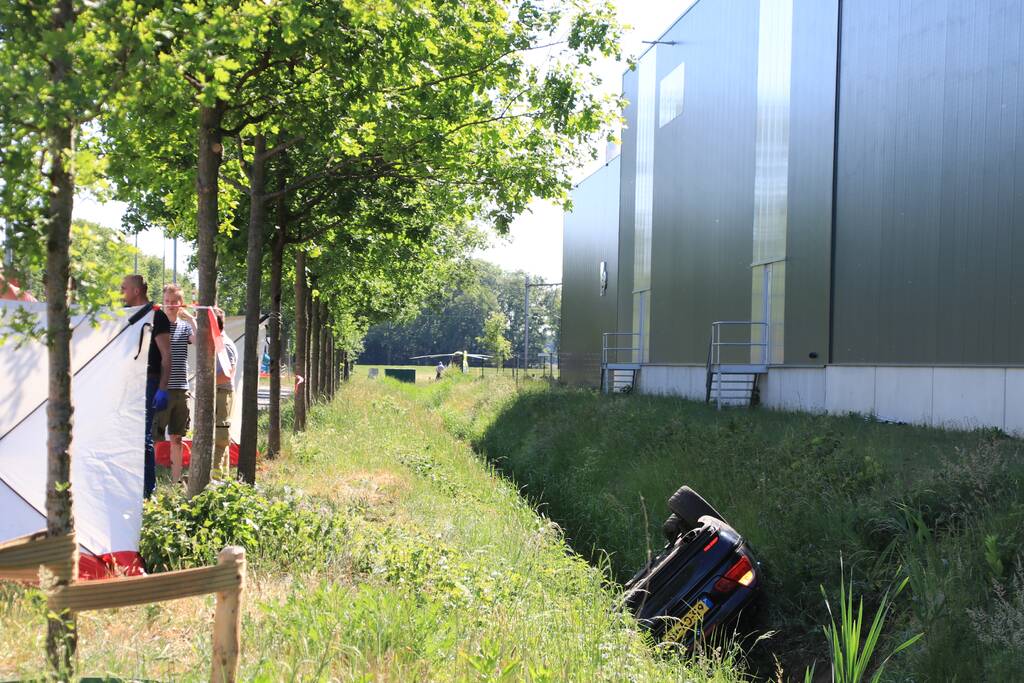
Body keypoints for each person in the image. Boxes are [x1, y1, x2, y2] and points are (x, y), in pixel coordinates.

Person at [121, 274, 169, 498]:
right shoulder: (125, 314)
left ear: (136, 290)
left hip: (149, 380)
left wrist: (162, 387)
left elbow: (167, 356)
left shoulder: (157, 316)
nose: (121, 292)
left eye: (124, 288)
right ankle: (127, 486)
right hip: (128, 381)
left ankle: (148, 491)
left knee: (143, 437)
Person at [152, 284, 196, 484]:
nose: (169, 305)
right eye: (166, 302)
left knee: (177, 437)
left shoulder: (185, 326)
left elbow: (199, 340)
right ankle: (150, 479)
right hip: (162, 388)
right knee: (155, 436)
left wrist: (193, 319)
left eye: (174, 302)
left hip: (181, 388)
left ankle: (176, 479)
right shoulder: (156, 325)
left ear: (181, 304)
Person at [213, 308, 238, 478]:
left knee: (222, 432)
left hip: (223, 393)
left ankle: (215, 474)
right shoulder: (216, 341)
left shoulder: (225, 345)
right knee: (221, 432)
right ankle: (224, 475)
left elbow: (227, 374)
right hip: (217, 392)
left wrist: (207, 382)